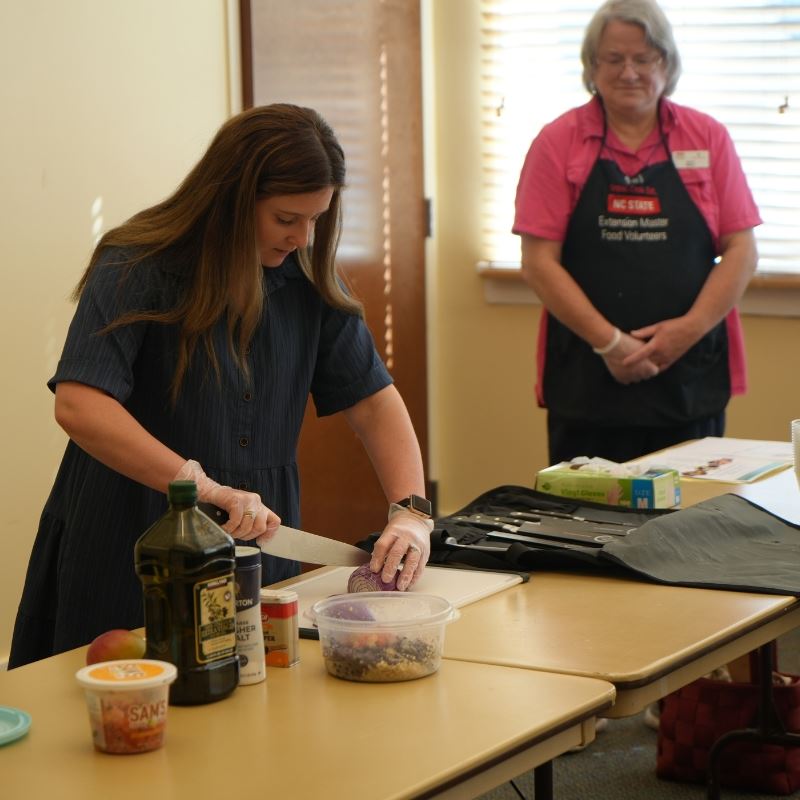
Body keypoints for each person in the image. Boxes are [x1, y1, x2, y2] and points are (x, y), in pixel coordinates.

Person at [9, 104, 432, 668]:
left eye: (316, 219)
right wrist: (201, 488)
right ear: (233, 197)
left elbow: (374, 403)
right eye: (286, 218)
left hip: (255, 551)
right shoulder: (136, 265)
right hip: (130, 540)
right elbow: (79, 405)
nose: (302, 237)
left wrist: (411, 513)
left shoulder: (308, 282)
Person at [514, 0, 760, 466]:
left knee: (692, 508)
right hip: (588, 376)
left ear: (667, 64)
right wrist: (611, 343)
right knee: (584, 512)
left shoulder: (707, 137)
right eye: (613, 58)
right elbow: (538, 261)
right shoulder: (557, 141)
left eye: (643, 58)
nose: (628, 72)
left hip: (689, 374)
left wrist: (685, 333)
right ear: (592, 67)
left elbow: (742, 249)